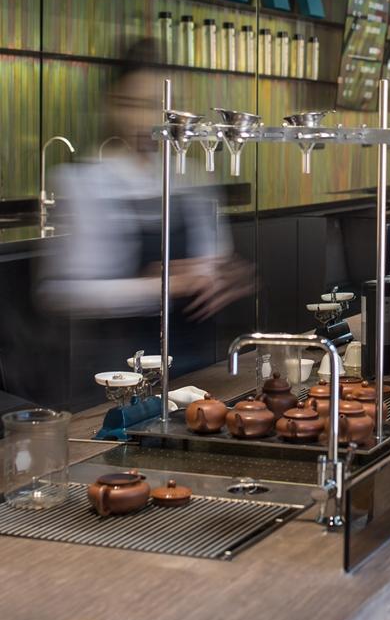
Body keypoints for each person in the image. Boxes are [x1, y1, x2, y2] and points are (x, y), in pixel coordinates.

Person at [38, 38, 251, 404]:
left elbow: (213, 260)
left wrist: (225, 276)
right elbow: (61, 293)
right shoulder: (85, 182)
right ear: (113, 105)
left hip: (195, 366)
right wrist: (162, 285)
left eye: (159, 106)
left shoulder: (191, 176)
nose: (146, 119)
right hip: (118, 375)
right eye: (134, 104)